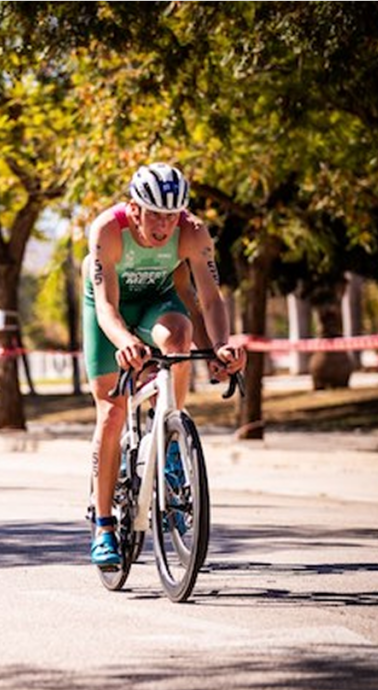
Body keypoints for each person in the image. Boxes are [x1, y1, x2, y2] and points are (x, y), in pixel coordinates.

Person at [82, 163, 245, 569]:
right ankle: (104, 526)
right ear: (134, 208)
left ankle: (170, 433)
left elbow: (209, 299)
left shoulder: (193, 233)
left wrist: (223, 347)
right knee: (113, 410)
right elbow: (105, 307)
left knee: (179, 338)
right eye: (153, 213)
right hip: (110, 308)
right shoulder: (107, 230)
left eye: (171, 215)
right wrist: (126, 343)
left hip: (157, 299)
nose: (162, 224)